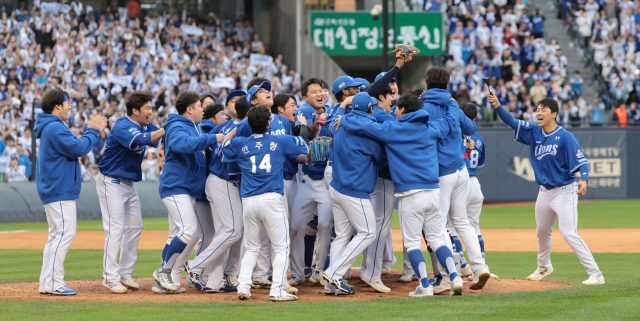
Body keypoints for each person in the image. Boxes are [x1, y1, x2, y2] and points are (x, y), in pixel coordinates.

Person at [336, 93, 463, 296]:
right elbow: (450, 120)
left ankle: (424, 286)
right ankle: (455, 277)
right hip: (433, 192)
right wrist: (453, 103)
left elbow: (363, 126)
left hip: (409, 194)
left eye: (397, 107)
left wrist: (343, 118)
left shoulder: (392, 129)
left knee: (413, 243)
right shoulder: (431, 128)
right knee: (437, 239)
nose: (394, 110)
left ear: (403, 109)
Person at [487, 91, 604, 285]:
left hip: (565, 191)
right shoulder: (534, 132)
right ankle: (543, 267)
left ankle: (596, 274)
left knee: (569, 233)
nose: (538, 113)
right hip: (544, 192)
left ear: (554, 114)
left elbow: (582, 161)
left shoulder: (565, 137)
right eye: (537, 109)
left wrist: (584, 180)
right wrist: (498, 105)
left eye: (543, 110)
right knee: (542, 231)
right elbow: (512, 122)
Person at [222, 105, 308, 301]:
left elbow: (224, 145)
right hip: (271, 198)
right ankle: (277, 290)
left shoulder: (240, 143)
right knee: (281, 247)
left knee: (252, 247)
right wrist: (302, 126)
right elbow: (304, 144)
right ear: (269, 123)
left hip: (248, 200)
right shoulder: (280, 140)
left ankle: (243, 287)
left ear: (249, 123)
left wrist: (235, 131)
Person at [420, 67, 490, 294]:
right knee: (462, 221)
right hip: (461, 170)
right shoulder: (451, 104)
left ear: (427, 83)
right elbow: (471, 127)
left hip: (441, 172)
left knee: (438, 225)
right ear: (447, 85)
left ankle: (446, 276)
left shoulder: (424, 106)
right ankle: (479, 267)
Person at [34, 87, 107, 295]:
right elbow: (78, 149)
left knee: (56, 236)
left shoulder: (51, 126)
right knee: (65, 234)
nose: (69, 107)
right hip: (59, 188)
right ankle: (56, 283)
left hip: (55, 188)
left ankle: (47, 283)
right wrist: (93, 130)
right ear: (57, 105)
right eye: (67, 103)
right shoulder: (55, 127)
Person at [155, 91, 229, 293]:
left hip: (185, 187)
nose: (202, 109)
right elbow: (181, 144)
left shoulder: (192, 126)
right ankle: (164, 271)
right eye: (199, 106)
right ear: (189, 109)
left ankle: (161, 281)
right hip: (175, 186)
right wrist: (213, 138)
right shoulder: (177, 125)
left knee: (188, 232)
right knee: (188, 230)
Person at [96, 90, 165, 294]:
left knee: (135, 226)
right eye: (147, 108)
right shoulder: (122, 125)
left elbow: (155, 137)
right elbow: (144, 140)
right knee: (115, 229)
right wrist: (167, 127)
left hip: (128, 184)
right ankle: (109, 277)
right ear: (135, 110)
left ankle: (124, 272)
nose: (150, 112)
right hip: (111, 182)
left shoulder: (144, 124)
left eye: (151, 107)